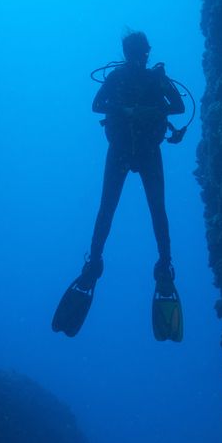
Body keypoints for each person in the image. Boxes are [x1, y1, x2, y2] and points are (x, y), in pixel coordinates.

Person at [52, 30, 188, 341]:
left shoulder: (154, 78)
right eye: (137, 52)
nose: (140, 57)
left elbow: (178, 108)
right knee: (130, 210)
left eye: (141, 53)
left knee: (132, 210)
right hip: (132, 149)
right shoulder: (131, 78)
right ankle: (141, 265)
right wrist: (129, 111)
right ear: (133, 53)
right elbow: (97, 105)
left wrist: (150, 110)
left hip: (132, 150)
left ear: (142, 53)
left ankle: (142, 264)